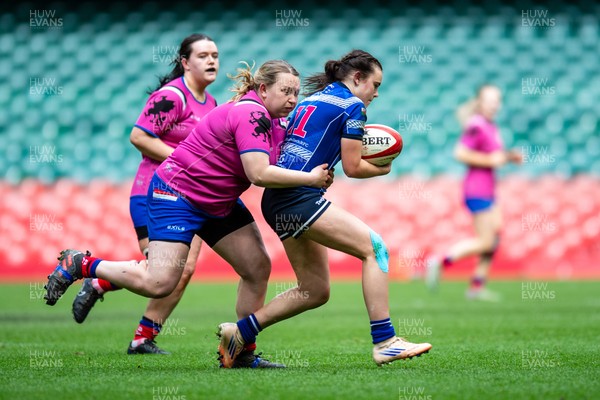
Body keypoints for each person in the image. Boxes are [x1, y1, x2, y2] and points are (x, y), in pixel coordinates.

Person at [44, 59, 330, 368]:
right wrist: (311, 179)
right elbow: (259, 173)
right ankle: (83, 264)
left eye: (296, 93)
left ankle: (241, 352)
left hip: (217, 202)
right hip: (177, 196)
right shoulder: (251, 112)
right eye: (286, 91)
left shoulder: (272, 118)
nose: (292, 99)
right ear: (262, 89)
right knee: (159, 283)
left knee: (257, 268)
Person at [216, 50, 432, 368]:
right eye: (375, 84)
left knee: (314, 289)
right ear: (357, 78)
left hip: (277, 199)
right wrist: (384, 169)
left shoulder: (309, 100)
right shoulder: (353, 106)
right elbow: (354, 167)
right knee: (375, 249)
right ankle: (386, 342)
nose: (376, 92)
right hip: (298, 198)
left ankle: (240, 333)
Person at [69, 33, 219, 356]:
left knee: (182, 271)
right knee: (159, 273)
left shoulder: (212, 104)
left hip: (189, 197)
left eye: (215, 55)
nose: (211, 61)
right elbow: (139, 136)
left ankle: (141, 337)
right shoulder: (172, 96)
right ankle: (93, 273)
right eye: (203, 55)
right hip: (155, 194)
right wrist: (182, 159)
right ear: (185, 62)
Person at [425, 84, 522, 301]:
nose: (494, 105)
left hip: (488, 189)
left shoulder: (488, 125)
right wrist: (492, 160)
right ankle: (440, 261)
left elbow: (494, 155)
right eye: (489, 100)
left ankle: (477, 286)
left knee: (494, 236)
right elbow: (460, 152)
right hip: (477, 190)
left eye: (497, 100)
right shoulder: (477, 125)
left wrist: (508, 157)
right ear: (479, 102)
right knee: (486, 241)